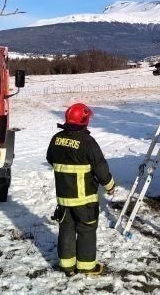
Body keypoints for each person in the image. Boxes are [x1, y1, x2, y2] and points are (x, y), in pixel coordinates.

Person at [46, 103, 116, 277]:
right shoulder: (87, 142)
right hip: (84, 200)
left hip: (63, 198)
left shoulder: (56, 139)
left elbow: (50, 159)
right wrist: (110, 186)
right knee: (86, 230)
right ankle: (86, 267)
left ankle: (67, 266)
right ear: (84, 121)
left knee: (66, 229)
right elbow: (100, 168)